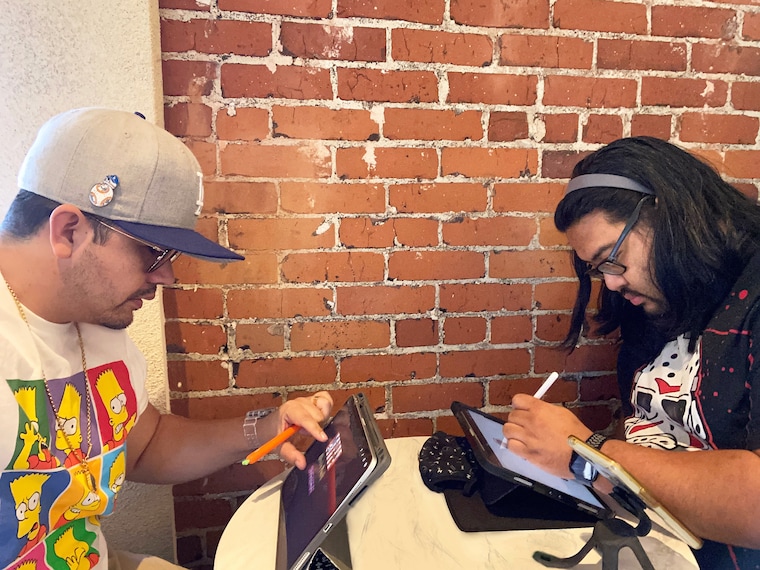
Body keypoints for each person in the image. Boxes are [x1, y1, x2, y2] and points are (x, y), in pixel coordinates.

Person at [0, 108, 334, 570]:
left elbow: (146, 443)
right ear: (69, 231)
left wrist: (267, 428)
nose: (168, 277)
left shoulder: (95, 322)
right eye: (153, 252)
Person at [501, 137, 760, 569]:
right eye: (598, 268)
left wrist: (586, 453)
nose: (611, 282)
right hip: (641, 539)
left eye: (613, 257)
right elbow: (648, 426)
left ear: (667, 213)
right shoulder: (658, 296)